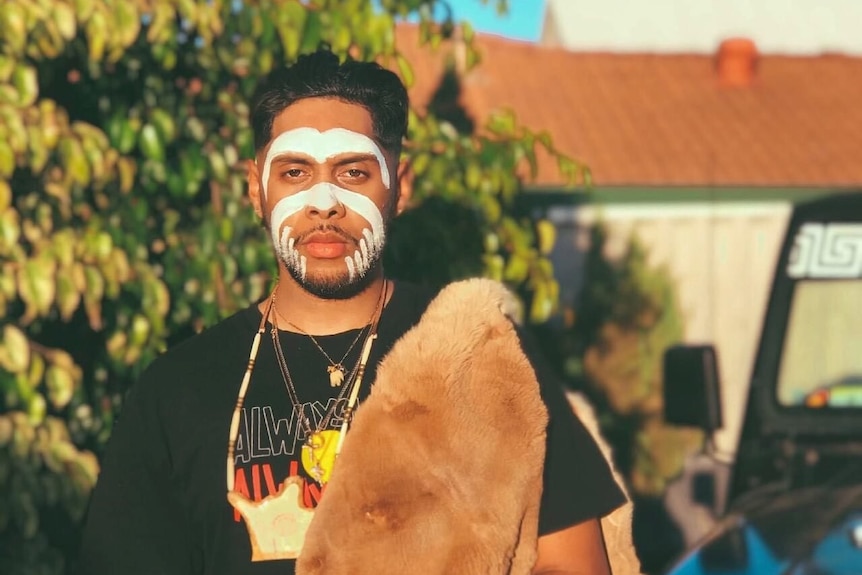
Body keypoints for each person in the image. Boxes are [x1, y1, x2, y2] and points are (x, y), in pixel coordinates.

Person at [78, 48, 626, 574]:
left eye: (353, 172)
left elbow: (570, 563)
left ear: (400, 187)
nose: (324, 203)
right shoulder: (177, 388)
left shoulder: (477, 355)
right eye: (294, 172)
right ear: (255, 188)